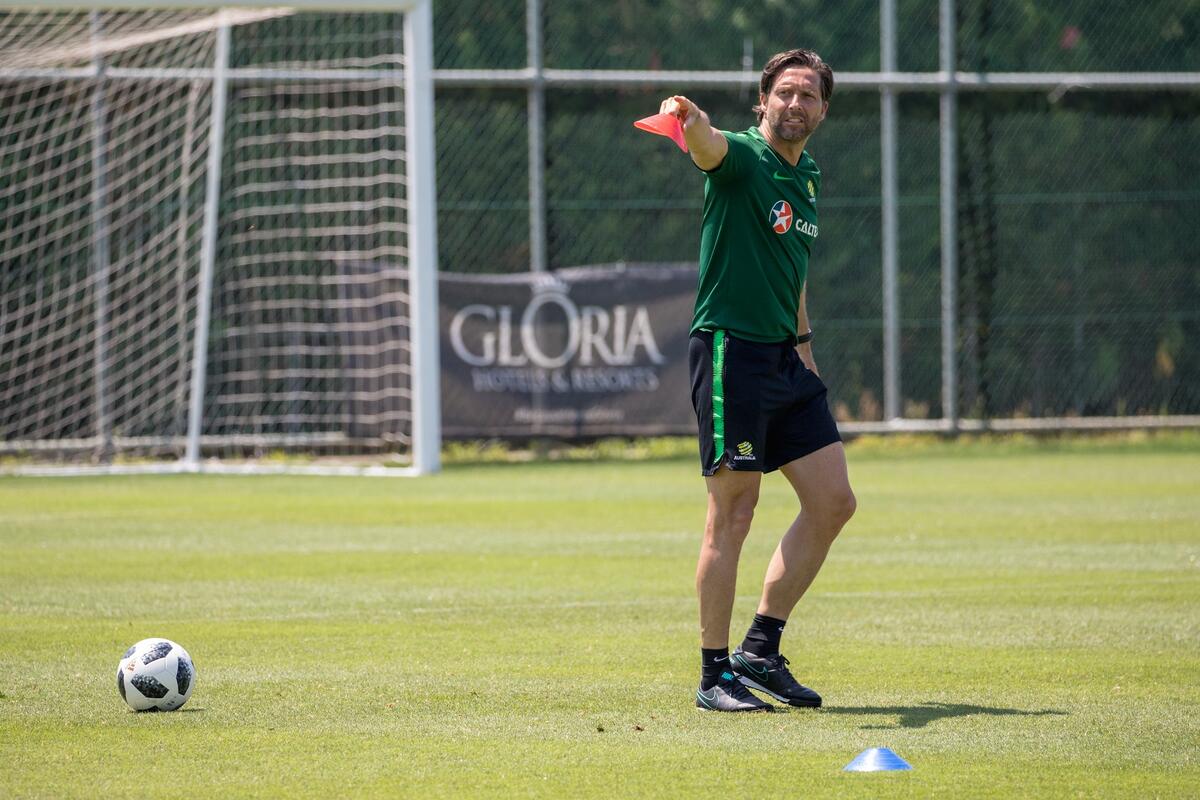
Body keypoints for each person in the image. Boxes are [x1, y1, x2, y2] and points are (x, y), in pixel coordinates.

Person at [660, 49, 857, 712]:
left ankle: (760, 652)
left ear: (823, 110)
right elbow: (707, 147)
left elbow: (792, 271)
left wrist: (804, 348)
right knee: (734, 512)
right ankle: (714, 675)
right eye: (785, 92)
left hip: (784, 358)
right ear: (763, 100)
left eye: (809, 95)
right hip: (731, 353)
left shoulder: (809, 177)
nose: (796, 103)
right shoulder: (743, 156)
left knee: (833, 502)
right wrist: (689, 118)